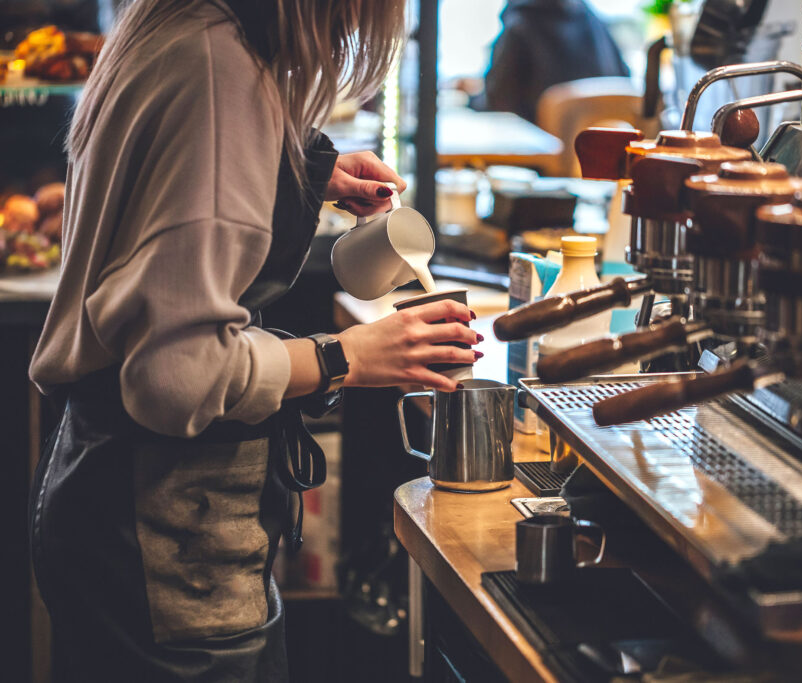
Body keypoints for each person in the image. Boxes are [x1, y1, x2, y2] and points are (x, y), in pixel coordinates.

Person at [27, 1, 480, 680]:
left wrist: (294, 168)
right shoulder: (221, 68)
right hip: (161, 539)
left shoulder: (179, 25)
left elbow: (170, 192)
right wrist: (347, 355)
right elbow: (176, 375)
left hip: (104, 496)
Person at [467, 0, 630, 123]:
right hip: (603, 158)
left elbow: (498, 104)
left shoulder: (520, 23)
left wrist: (470, 98)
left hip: (541, 160)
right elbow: (624, 82)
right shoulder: (594, 22)